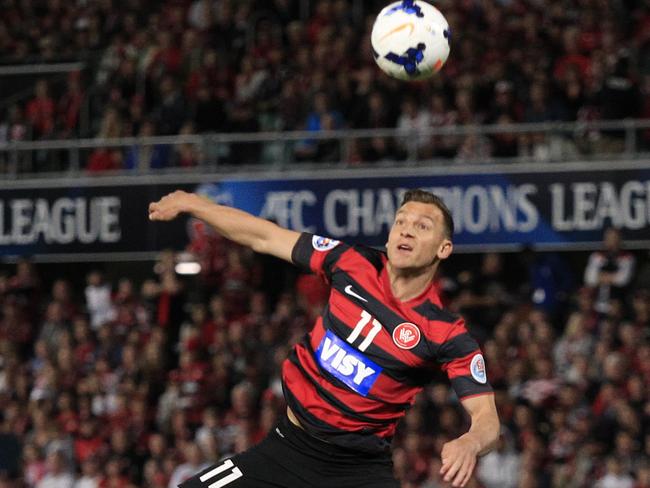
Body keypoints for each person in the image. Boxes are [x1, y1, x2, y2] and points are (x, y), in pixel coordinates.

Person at [148, 189, 500, 488]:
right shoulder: (350, 262)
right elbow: (264, 235)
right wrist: (196, 204)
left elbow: (487, 418)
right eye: (401, 221)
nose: (406, 231)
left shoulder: (447, 333)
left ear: (443, 249)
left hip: (357, 473)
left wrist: (470, 442)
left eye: (422, 227)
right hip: (285, 449)